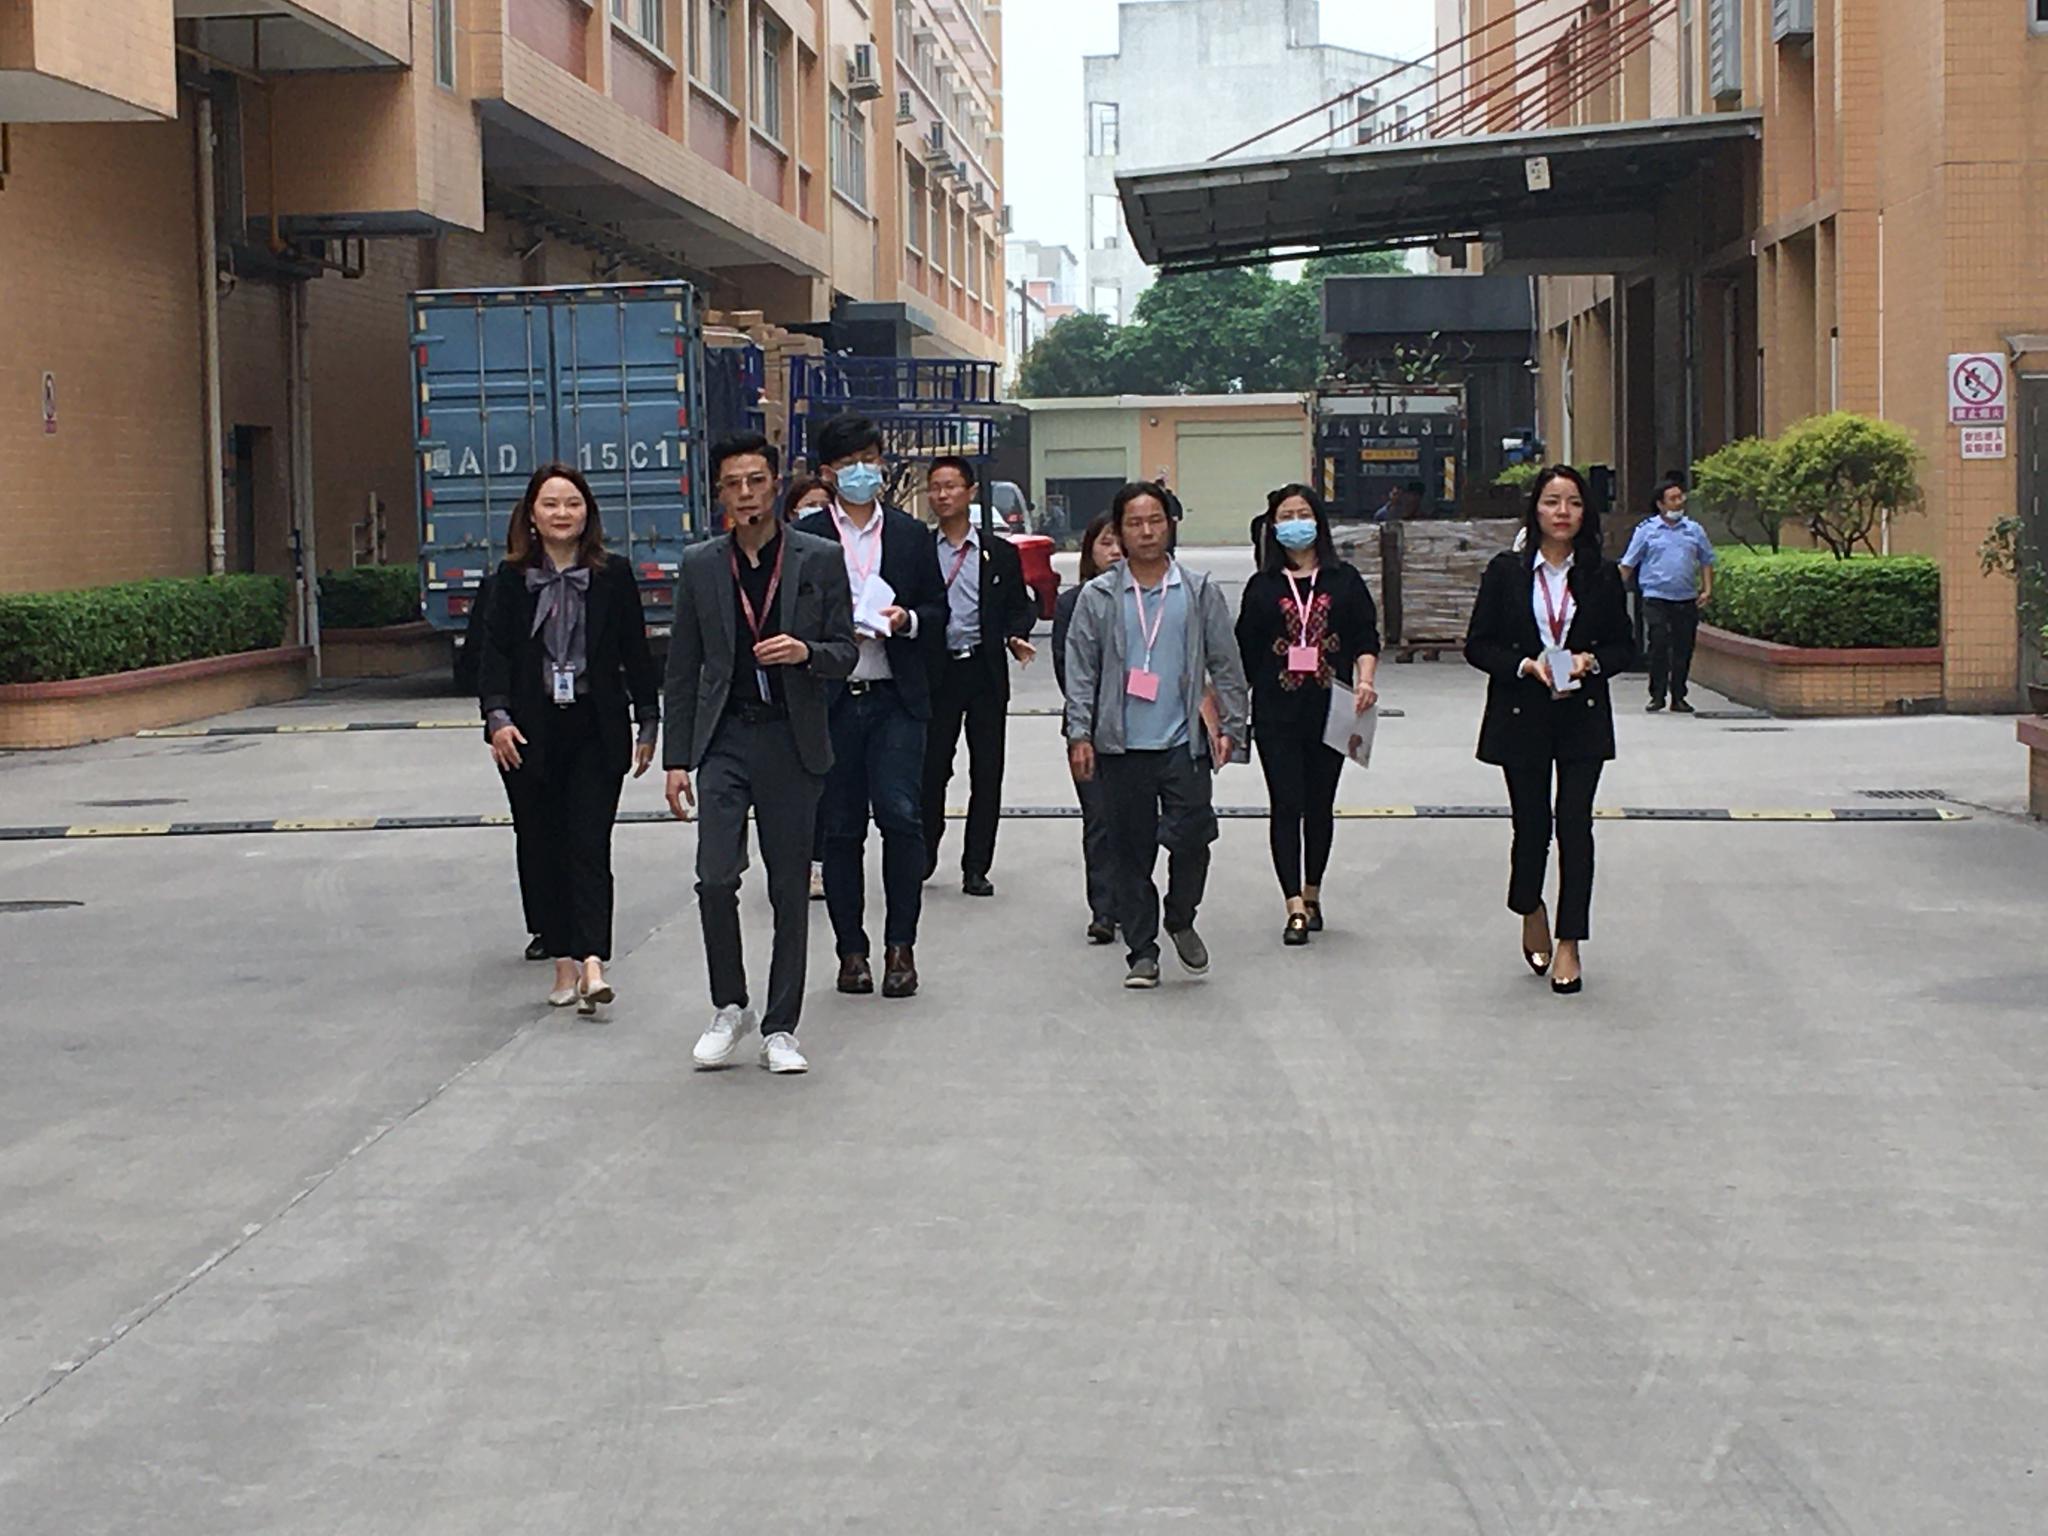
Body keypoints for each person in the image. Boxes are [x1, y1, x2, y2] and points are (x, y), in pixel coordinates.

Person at [663, 434, 857, 1075]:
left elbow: (845, 651)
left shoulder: (819, 558)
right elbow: (683, 667)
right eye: (732, 484)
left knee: (787, 886)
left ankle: (781, 1027)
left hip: (790, 737)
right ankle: (729, 1005)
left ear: (776, 484)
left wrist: (805, 653)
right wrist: (676, 759)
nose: (745, 494)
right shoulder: (701, 565)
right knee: (715, 876)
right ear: (718, 493)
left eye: (755, 481)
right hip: (725, 736)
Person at [479, 463, 659, 1016]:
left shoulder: (614, 575)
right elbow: (492, 656)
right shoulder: (508, 580)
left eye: (573, 504)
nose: (563, 514)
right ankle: (562, 960)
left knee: (589, 843)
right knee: (542, 845)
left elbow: (635, 651)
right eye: (551, 504)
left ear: (588, 514)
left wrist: (649, 720)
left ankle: (593, 962)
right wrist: (497, 718)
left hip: (595, 726)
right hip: (528, 731)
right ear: (531, 516)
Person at [1064, 483, 1249, 990]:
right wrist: (1079, 733)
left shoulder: (1197, 591)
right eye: (1134, 523)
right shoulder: (1099, 597)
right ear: (1120, 532)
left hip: (1183, 742)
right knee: (1130, 851)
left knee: (1194, 838)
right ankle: (1142, 951)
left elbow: (1225, 662)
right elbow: (1081, 670)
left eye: (1155, 521)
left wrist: (1232, 726)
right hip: (1121, 746)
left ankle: (1181, 915)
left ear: (1170, 525)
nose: (1146, 532)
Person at [1463, 465, 1636, 996]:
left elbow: (1624, 646)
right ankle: (1529, 905)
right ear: (1534, 509)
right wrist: (1524, 666)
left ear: (1586, 513)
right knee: (1531, 825)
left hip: (1582, 714)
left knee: (1576, 826)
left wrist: (1589, 662)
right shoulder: (1506, 572)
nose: (1563, 512)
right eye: (1552, 501)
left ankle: (1570, 941)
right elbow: (1478, 644)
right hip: (1522, 712)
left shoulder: (1600, 575)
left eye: (1574, 503)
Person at [794, 414, 946, 999]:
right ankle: (850, 951)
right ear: (827, 473)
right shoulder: (806, 537)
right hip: (832, 700)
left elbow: (938, 611)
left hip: (894, 697)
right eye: (849, 463)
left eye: (871, 459)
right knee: (840, 829)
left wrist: (906, 620)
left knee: (902, 817)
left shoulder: (909, 534)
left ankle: (900, 947)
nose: (863, 471)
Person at [1234, 484, 1381, 947]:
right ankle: (1293, 903)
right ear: (1273, 527)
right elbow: (1243, 655)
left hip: (1331, 709)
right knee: (1286, 803)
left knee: (1320, 804)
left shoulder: (1344, 580)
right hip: (1276, 713)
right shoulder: (1262, 587)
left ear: (1318, 521)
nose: (1296, 522)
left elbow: (1365, 637)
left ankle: (1313, 891)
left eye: (1303, 513)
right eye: (1286, 516)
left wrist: (1365, 680)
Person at [919, 456, 1038, 897]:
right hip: (937, 673)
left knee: (987, 771)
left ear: (970, 492)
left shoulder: (999, 553)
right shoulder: (919, 551)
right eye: (935, 487)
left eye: (951, 485)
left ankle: (976, 866)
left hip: (984, 672)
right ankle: (925, 850)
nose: (943, 494)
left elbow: (1018, 606)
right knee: (931, 768)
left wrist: (1016, 635)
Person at [468, 565, 545, 960]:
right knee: (532, 828)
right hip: (518, 728)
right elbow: (480, 658)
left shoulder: (596, 577)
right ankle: (545, 925)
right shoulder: (502, 585)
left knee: (580, 831)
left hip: (583, 725)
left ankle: (582, 929)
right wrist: (497, 714)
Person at [1053, 511, 1123, 944]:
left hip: (1144, 727)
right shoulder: (1072, 603)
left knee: (1135, 821)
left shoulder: (1149, 599)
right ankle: (1103, 909)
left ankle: (1133, 899)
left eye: (1120, 542)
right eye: (1105, 543)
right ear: (1089, 551)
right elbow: (1068, 669)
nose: (1115, 551)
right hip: (1090, 727)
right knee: (1098, 817)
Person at [1620, 475, 1717, 714]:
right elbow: (1629, 563)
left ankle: (1679, 696)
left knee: (1683, 648)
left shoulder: (1694, 530)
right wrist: (1613, 590)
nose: (1678, 502)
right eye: (1672, 499)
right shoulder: (1646, 530)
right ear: (1660, 504)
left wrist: (1707, 589)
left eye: (1680, 497)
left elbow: (1706, 560)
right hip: (1656, 597)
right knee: (1659, 642)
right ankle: (1657, 694)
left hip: (1685, 598)